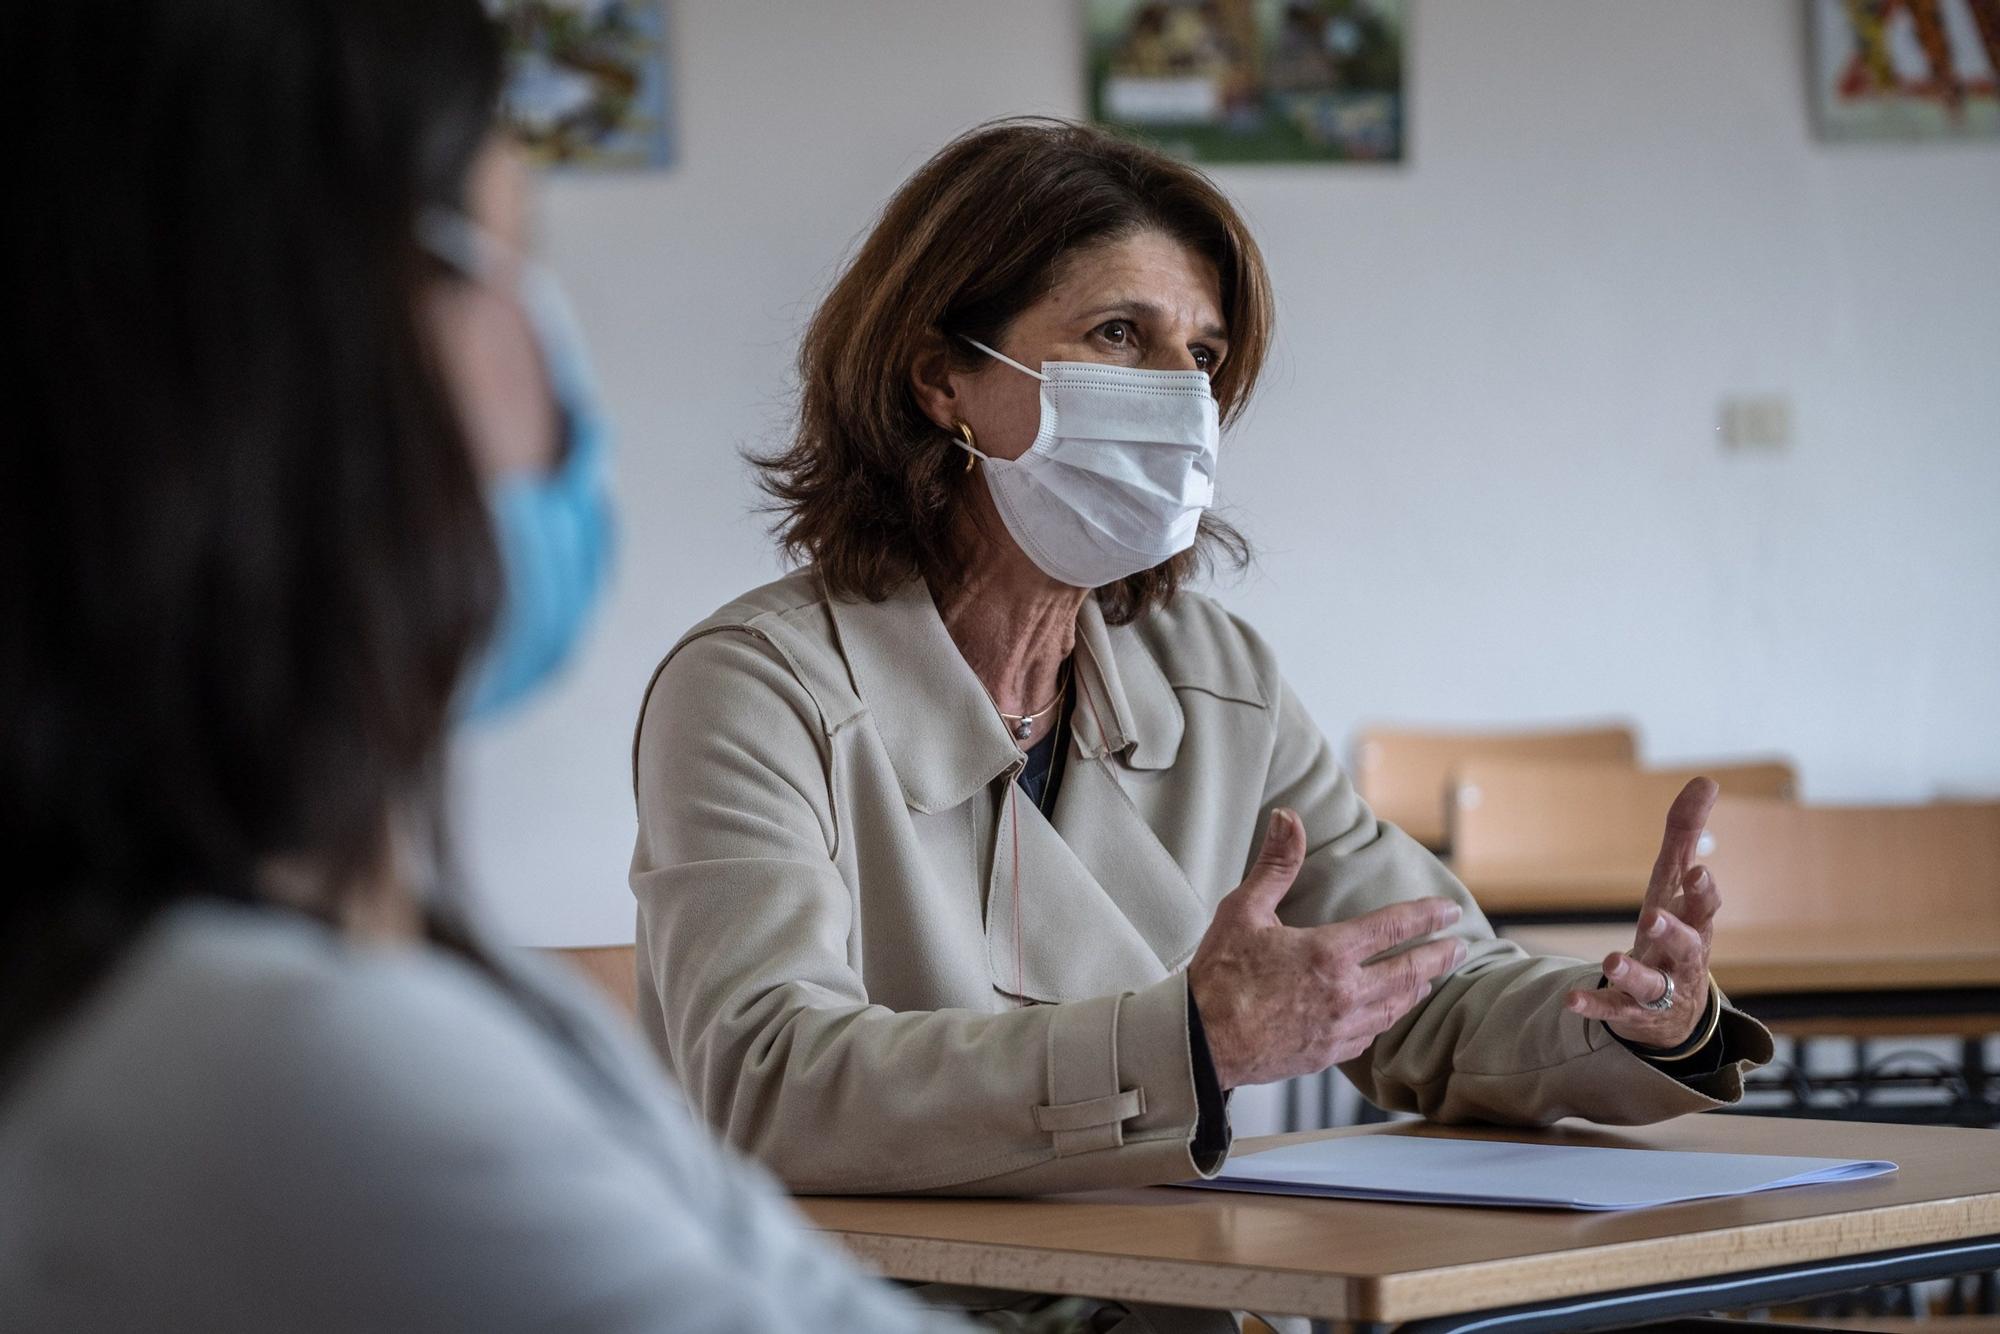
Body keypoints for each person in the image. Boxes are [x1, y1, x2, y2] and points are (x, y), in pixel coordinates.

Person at [0, 4, 965, 1330]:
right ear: (296, 353)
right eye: (509, 273)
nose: (561, 377)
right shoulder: (274, 1069)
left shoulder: (416, 972)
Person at [630, 119, 1775, 1209]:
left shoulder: (1209, 673)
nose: (1178, 390)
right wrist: (1191, 1041)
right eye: (1118, 334)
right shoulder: (754, 687)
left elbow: (1421, 982)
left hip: (1181, 1276)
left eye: (1203, 353)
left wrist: (1624, 1018)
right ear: (942, 379)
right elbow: (766, 1079)